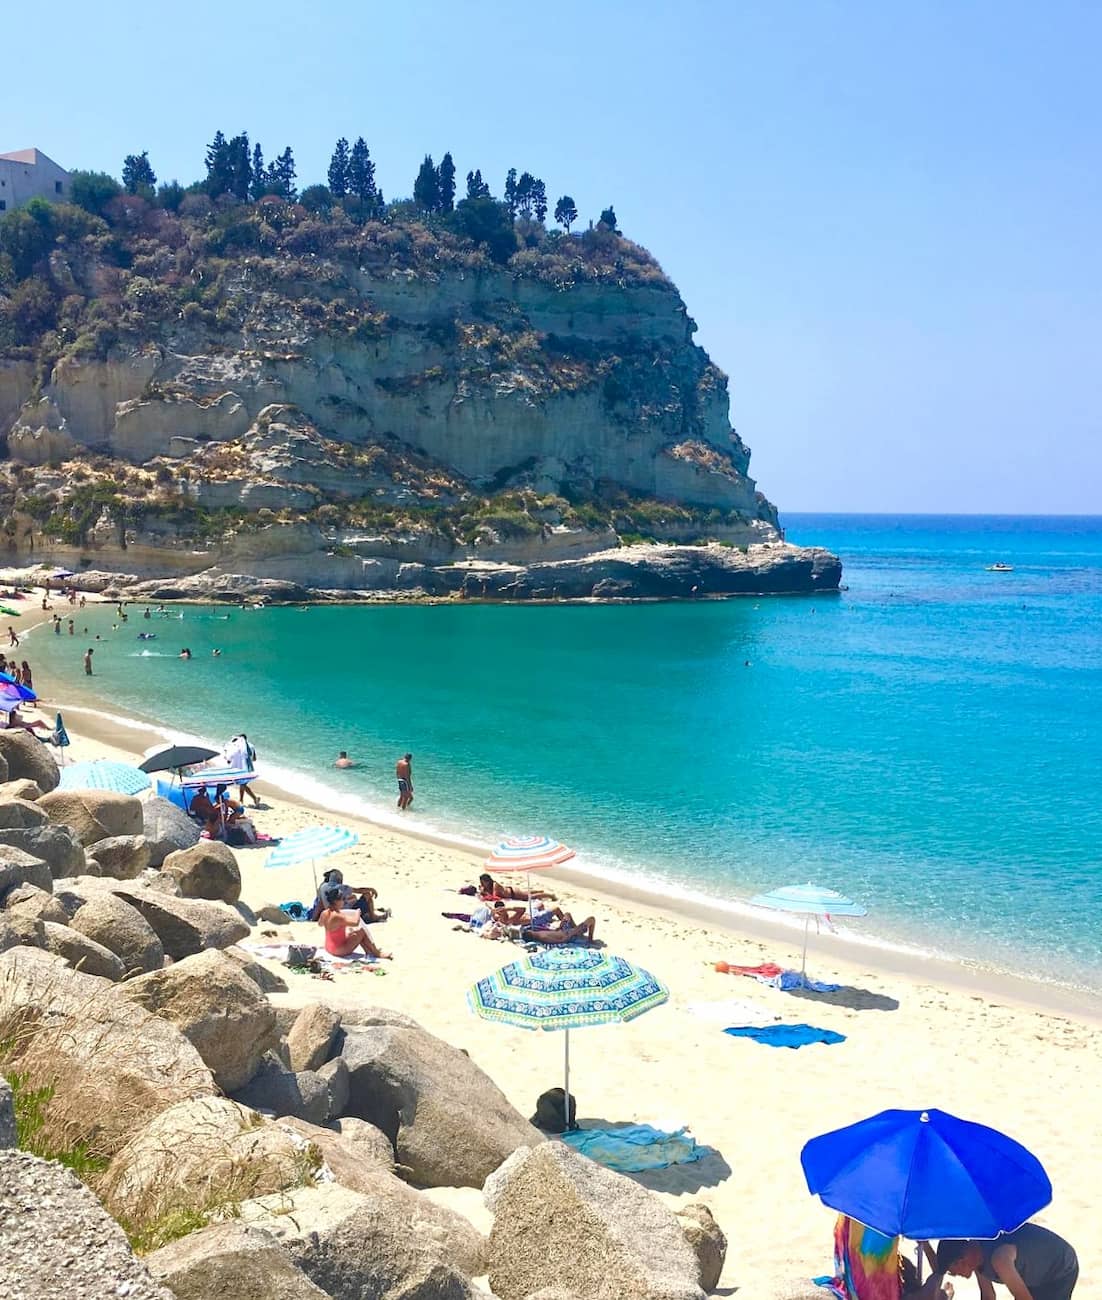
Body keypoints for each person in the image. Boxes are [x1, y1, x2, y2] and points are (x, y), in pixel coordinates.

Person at [936, 1226, 1078, 1300]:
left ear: (961, 1261)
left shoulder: (1000, 1259)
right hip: (1032, 1272)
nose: (954, 1275)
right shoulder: (977, 1259)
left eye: (951, 1271)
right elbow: (988, 1296)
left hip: (1059, 1266)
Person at [318, 883, 392, 960]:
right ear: (336, 901)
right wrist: (357, 913)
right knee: (361, 932)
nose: (344, 901)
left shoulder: (324, 913)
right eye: (342, 899)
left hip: (329, 947)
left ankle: (369, 950)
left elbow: (320, 924)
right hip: (338, 950)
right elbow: (356, 923)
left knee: (354, 933)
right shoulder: (337, 916)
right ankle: (377, 953)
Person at [309, 869, 388, 923]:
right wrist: (371, 889)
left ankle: (367, 915)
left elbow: (320, 904)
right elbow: (358, 890)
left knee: (353, 897)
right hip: (346, 913)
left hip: (332, 914)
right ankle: (373, 916)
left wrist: (314, 919)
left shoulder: (322, 887)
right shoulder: (341, 887)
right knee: (367, 895)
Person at [522, 909, 597, 944]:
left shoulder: (537, 933)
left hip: (563, 930)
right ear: (530, 934)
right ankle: (590, 938)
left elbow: (553, 933)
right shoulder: (543, 937)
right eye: (528, 931)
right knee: (591, 919)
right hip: (570, 935)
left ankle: (579, 930)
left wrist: (559, 927)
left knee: (567, 914)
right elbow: (561, 939)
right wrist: (573, 931)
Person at [478, 872, 555, 903]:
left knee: (529, 897)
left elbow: (495, 897)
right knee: (526, 893)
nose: (481, 884)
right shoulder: (487, 886)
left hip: (513, 893)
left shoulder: (495, 885)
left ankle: (550, 895)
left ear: (487, 881)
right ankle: (539, 891)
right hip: (511, 891)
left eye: (482, 882)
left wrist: (484, 893)